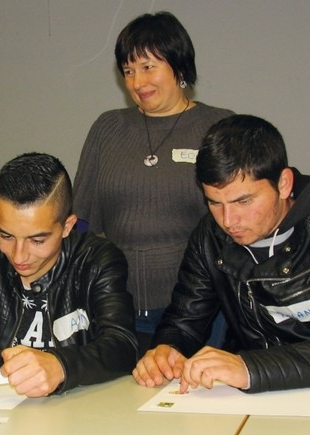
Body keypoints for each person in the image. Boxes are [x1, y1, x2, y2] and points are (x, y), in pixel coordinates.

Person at [133, 114, 310, 393]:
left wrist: (250, 367)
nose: (228, 220)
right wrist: (167, 348)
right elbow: (184, 321)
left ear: (284, 184)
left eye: (243, 201)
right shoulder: (210, 235)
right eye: (214, 203)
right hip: (251, 398)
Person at [72, 11, 234, 354]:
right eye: (128, 71)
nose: (137, 82)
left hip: (199, 307)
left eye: (148, 67)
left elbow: (240, 220)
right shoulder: (108, 128)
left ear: (179, 66)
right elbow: (80, 220)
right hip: (117, 305)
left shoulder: (218, 126)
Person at [0, 152, 138, 399]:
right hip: (3, 411)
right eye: (6, 236)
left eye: (37, 240)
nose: (19, 255)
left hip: (79, 409)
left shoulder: (96, 260)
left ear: (67, 226)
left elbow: (122, 344)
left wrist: (61, 365)